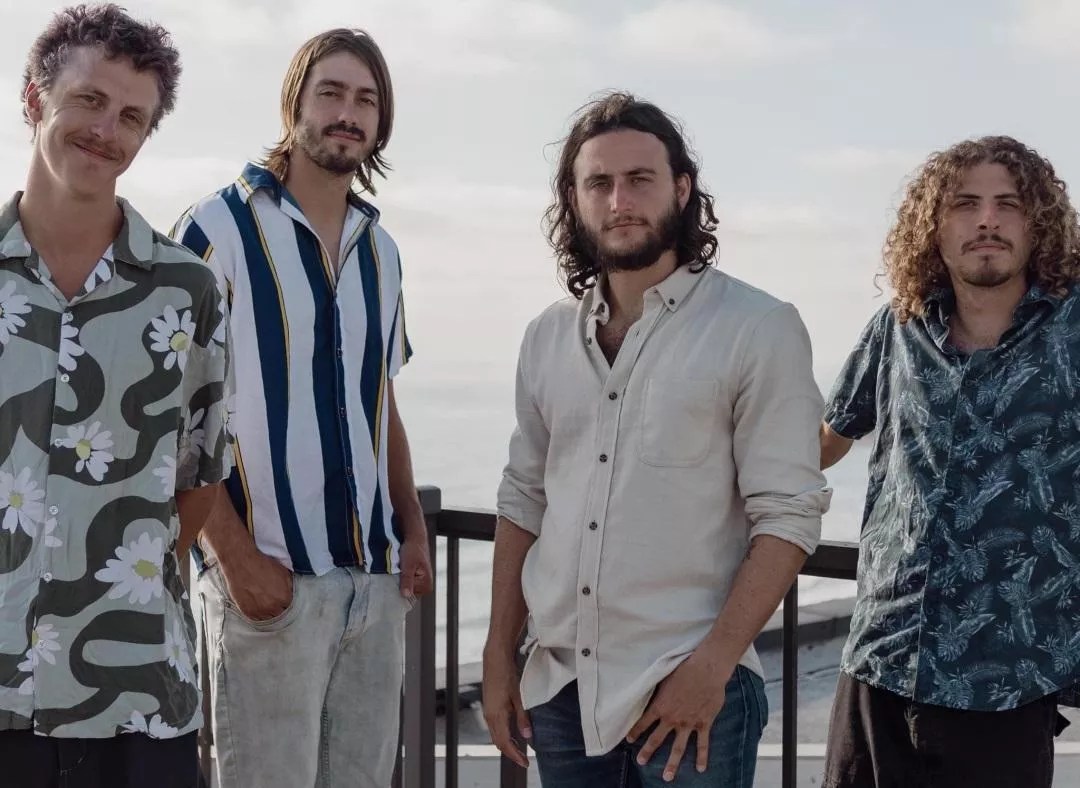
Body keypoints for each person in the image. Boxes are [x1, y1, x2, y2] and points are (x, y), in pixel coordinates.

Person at [482, 92, 831, 787]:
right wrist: (497, 655)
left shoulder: (757, 327)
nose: (620, 201)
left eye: (640, 179)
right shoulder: (547, 337)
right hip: (561, 690)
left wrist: (713, 666)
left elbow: (789, 512)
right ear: (574, 201)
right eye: (599, 184)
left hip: (691, 691)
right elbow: (525, 498)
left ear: (681, 188)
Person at [171, 27, 432, 788]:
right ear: (295, 104)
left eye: (366, 100)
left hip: (374, 594)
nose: (347, 114)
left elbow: (378, 398)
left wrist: (412, 526)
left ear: (381, 123)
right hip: (269, 592)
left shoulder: (381, 252)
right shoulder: (214, 231)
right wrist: (234, 559)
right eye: (331, 93)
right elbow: (173, 415)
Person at [0, 5, 231, 787]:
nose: (108, 130)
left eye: (132, 116)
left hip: (137, 697)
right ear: (34, 100)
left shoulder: (187, 290)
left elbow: (198, 482)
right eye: (90, 101)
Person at [820, 135, 1080, 787]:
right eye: (965, 204)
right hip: (882, 659)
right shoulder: (898, 326)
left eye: (1007, 204)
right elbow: (824, 440)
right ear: (934, 227)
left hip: (1009, 680)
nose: (987, 220)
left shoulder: (1073, 332)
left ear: (1039, 221)